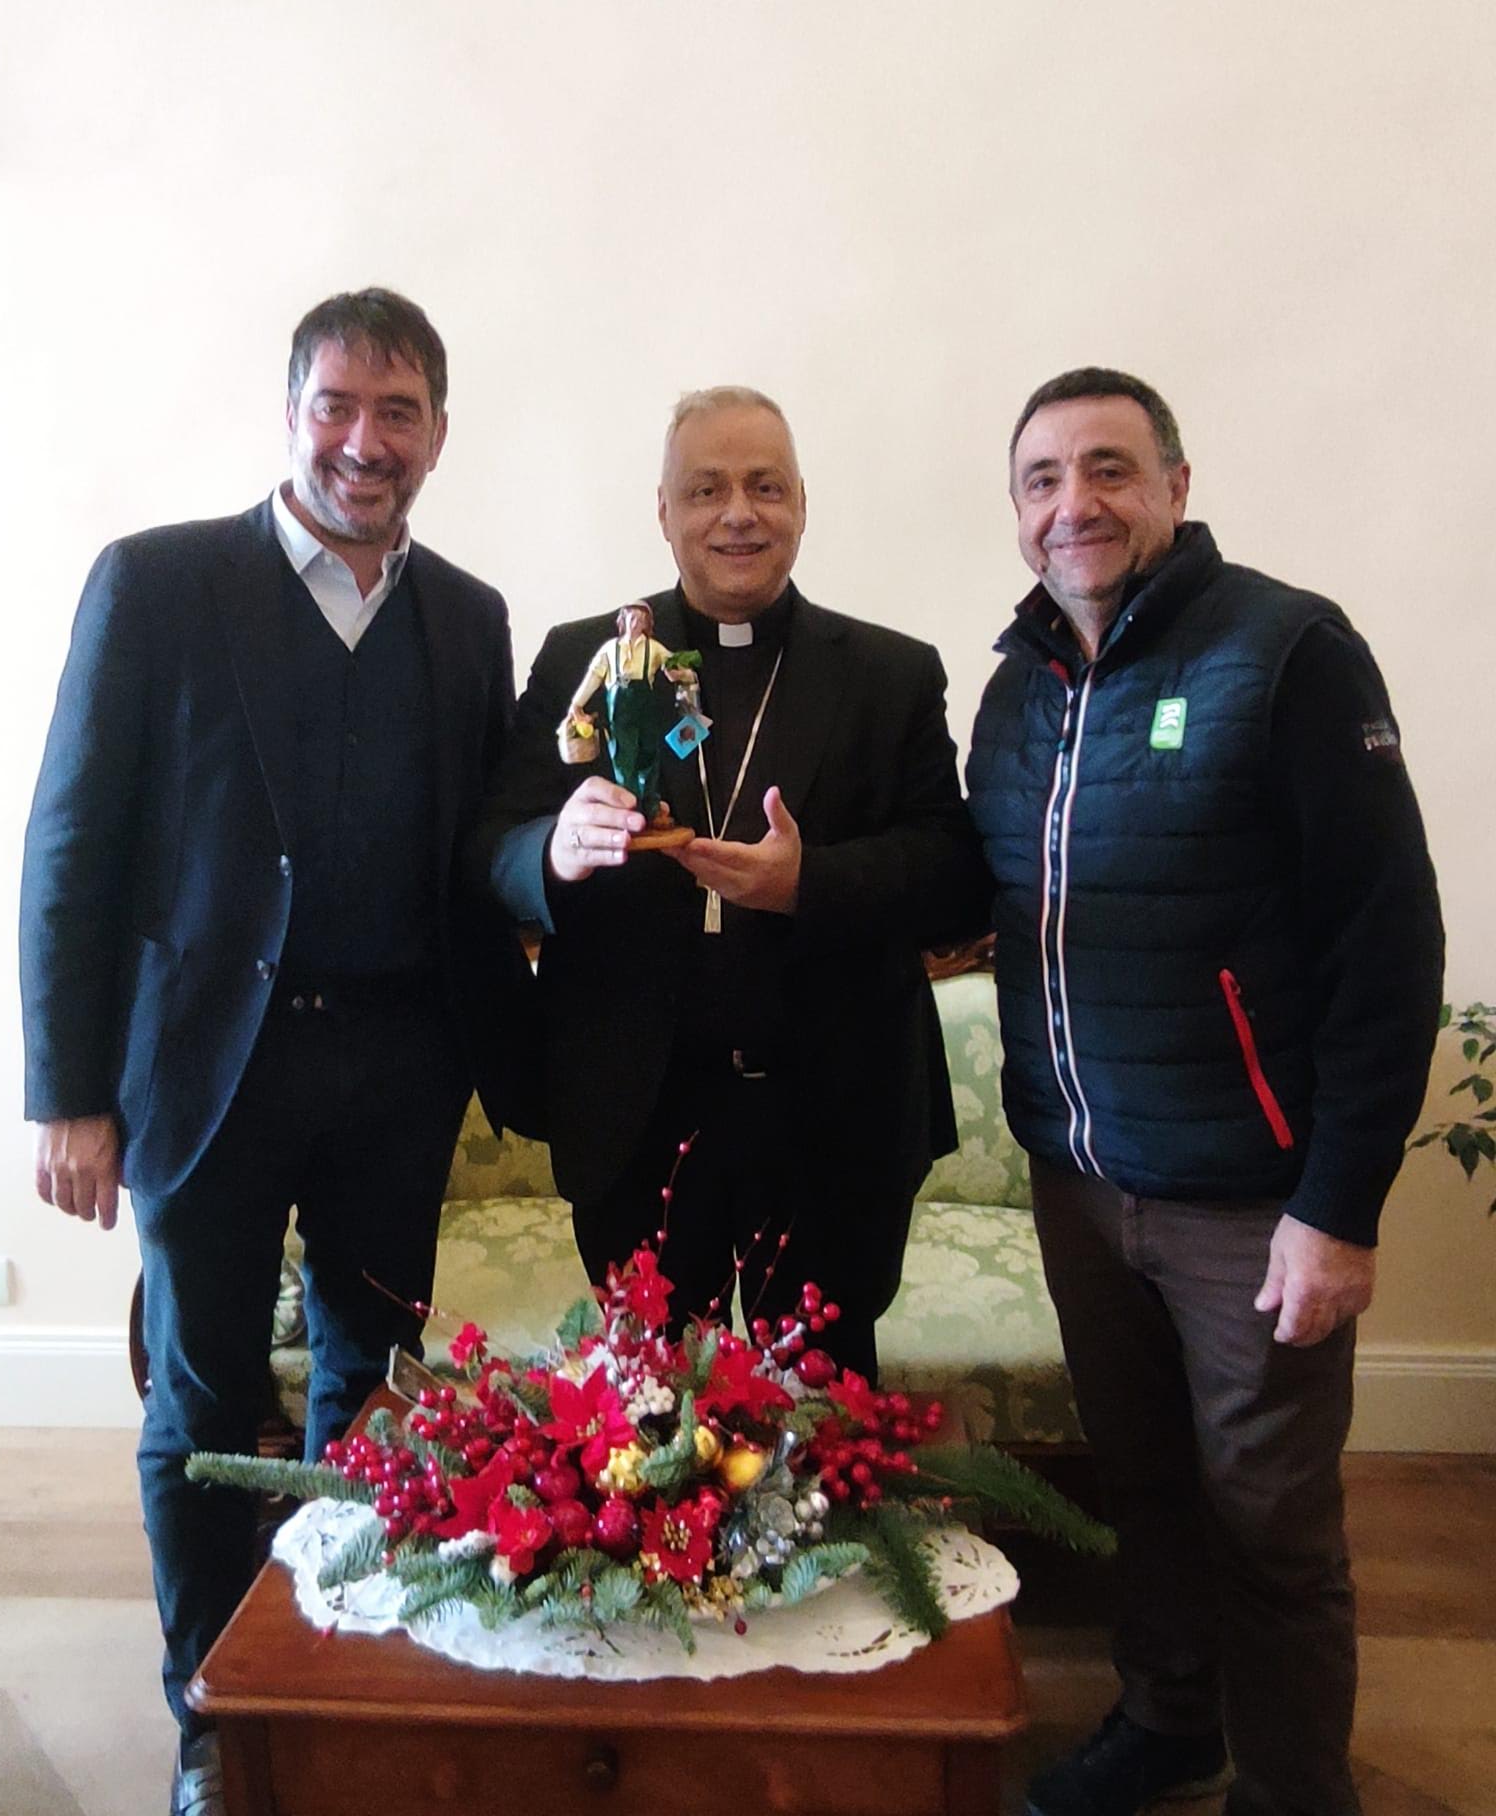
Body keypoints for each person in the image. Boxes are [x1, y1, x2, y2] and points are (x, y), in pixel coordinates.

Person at [20, 288, 533, 1816]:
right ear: (292, 413)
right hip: (206, 1075)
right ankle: (207, 1714)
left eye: (399, 412)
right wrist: (67, 1092)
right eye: (338, 406)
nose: (366, 442)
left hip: (399, 1071)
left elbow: (479, 848)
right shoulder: (159, 583)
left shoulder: (471, 617)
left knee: (374, 1393)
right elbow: (71, 846)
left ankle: (333, 1668)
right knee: (202, 1400)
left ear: (440, 432)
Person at [965, 367, 1443, 1816]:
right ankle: (1171, 1722)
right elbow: (990, 894)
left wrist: (1338, 1207)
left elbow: (1387, 939)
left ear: (1176, 484)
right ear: (1017, 511)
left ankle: (1294, 1789)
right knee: (1147, 1487)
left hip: (1251, 1199)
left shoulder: (1288, 650)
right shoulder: (1019, 688)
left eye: (1109, 468)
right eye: (1043, 478)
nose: (1075, 503)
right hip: (1080, 1183)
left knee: (1270, 1526)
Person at [482, 386, 984, 1381]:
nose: (738, 514)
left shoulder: (889, 674)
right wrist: (552, 849)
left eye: (766, 486)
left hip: (833, 1110)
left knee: (829, 1406)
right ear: (663, 511)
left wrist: (811, 883)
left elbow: (955, 872)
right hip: (636, 1111)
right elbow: (488, 847)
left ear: (802, 504)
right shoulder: (589, 655)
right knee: (649, 1414)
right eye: (706, 488)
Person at [561, 599, 702, 826]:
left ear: (647, 623)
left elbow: (673, 667)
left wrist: (686, 674)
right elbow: (593, 677)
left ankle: (652, 809)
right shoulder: (610, 650)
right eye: (632, 618)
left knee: (649, 756)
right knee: (624, 760)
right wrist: (577, 704)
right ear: (623, 620)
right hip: (620, 710)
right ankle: (629, 811)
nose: (636, 623)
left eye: (641, 619)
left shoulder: (653, 648)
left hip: (645, 707)